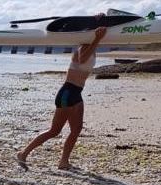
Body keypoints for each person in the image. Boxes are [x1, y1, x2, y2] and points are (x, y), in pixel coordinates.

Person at [16, 25, 107, 170]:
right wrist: (97, 38)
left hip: (76, 92)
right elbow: (83, 59)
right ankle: (23, 153)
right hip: (67, 93)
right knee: (54, 131)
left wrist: (99, 23)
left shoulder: (91, 47)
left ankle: (63, 162)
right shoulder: (83, 47)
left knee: (76, 129)